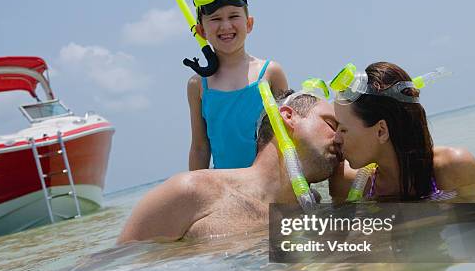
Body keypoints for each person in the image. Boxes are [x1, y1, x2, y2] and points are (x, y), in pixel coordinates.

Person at [119, 91, 341, 243]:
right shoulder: (193, 191)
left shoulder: (316, 216)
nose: (340, 138)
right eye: (332, 124)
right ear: (288, 116)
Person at [328, 62, 475, 202]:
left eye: (343, 129)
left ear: (381, 131)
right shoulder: (346, 183)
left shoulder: (454, 167)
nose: (336, 139)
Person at [187, 0, 288, 170]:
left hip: (271, 182)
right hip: (227, 187)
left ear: (249, 24)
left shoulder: (271, 73)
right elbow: (200, 147)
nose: (225, 26)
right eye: (215, 19)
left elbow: (288, 134)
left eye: (233, 16)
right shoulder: (198, 85)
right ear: (201, 31)